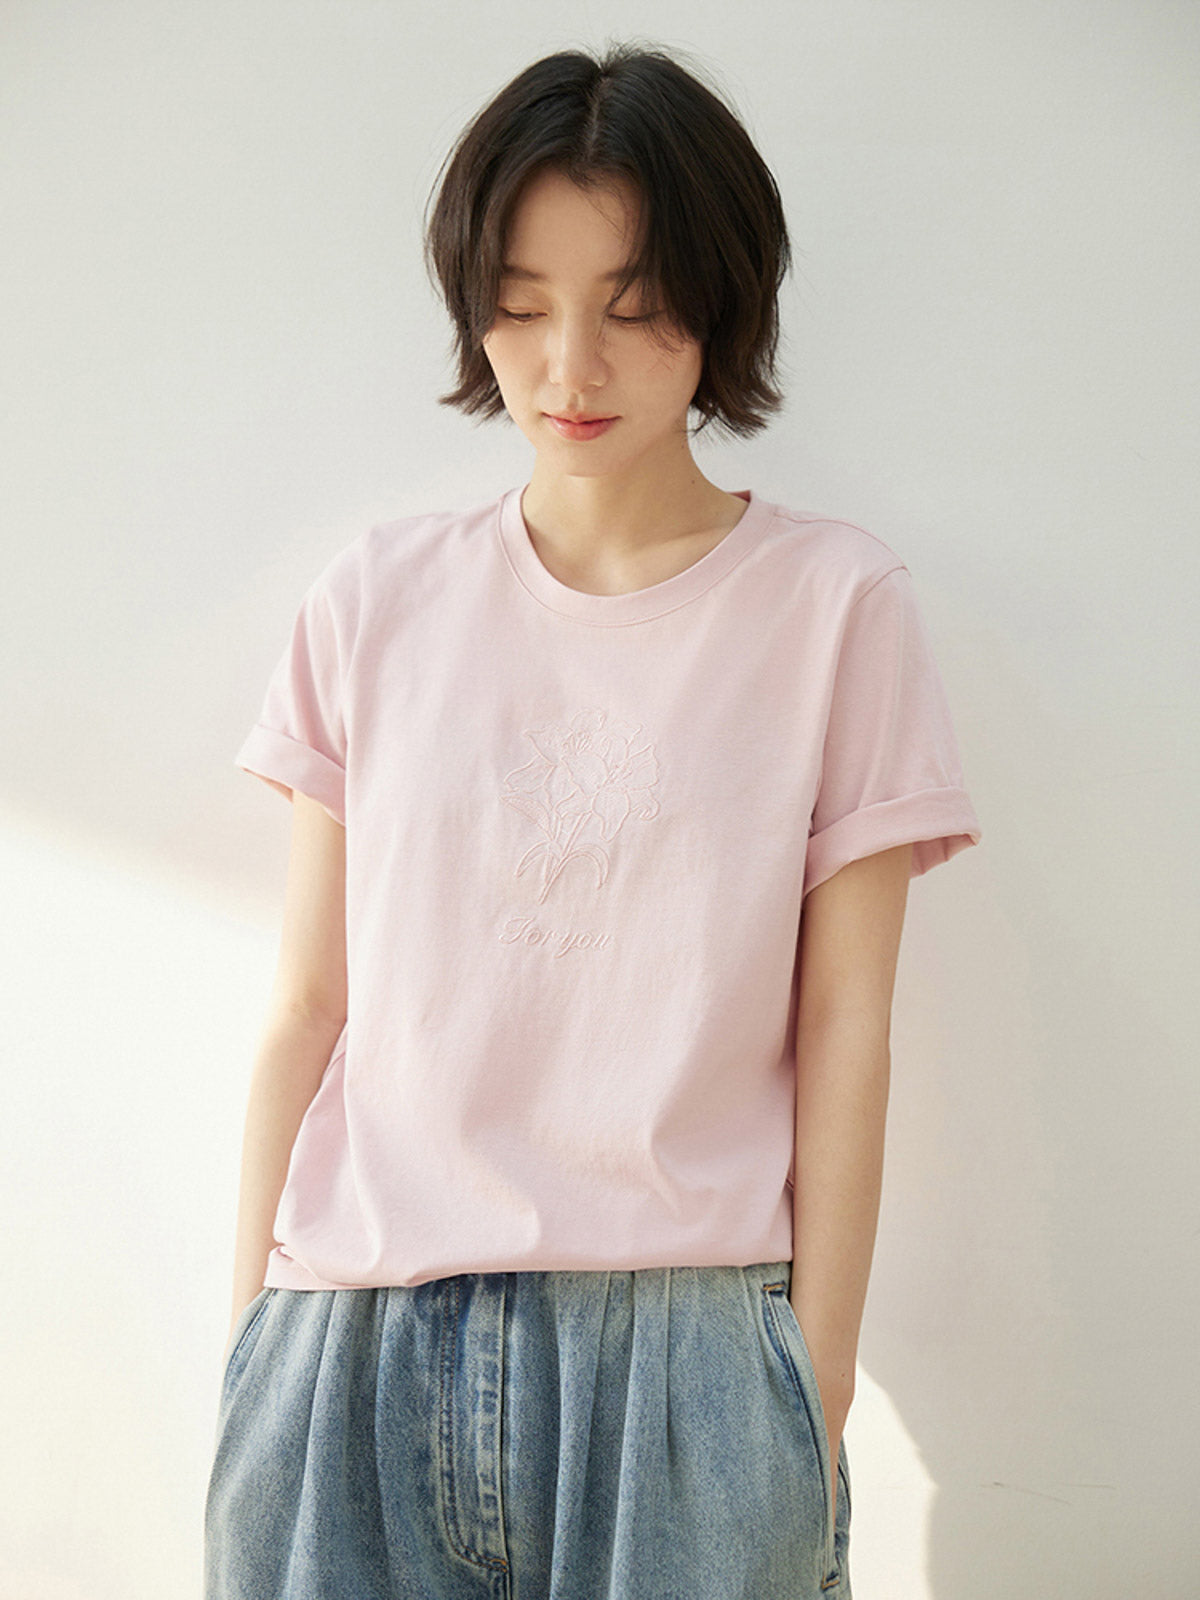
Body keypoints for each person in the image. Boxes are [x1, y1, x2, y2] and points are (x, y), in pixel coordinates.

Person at [203, 39, 982, 1600]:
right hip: (350, 1343)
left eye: (634, 308)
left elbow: (847, 1023)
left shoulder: (836, 607)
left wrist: (812, 1384)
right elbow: (307, 1003)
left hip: (687, 1363)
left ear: (722, 302)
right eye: (521, 304)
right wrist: (249, 1346)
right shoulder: (373, 601)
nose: (569, 367)